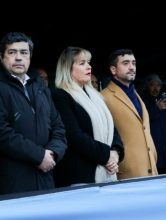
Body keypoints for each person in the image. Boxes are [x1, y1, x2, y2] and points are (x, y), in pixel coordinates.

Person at [0, 32, 66, 196]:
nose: (18, 58)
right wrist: (39, 156)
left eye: (23, 52)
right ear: (1, 56)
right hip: (11, 183)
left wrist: (52, 153)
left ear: (30, 56)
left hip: (45, 178)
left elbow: (58, 127)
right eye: (12, 52)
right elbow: (0, 132)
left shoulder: (39, 86)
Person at [51, 47, 124, 187]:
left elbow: (112, 129)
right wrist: (106, 156)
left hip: (107, 170)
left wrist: (115, 152)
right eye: (82, 63)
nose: (89, 66)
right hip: (80, 175)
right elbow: (73, 136)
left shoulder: (96, 95)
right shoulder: (60, 96)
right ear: (68, 68)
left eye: (88, 62)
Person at [101, 49, 158, 179]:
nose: (132, 67)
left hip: (151, 168)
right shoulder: (103, 97)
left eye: (133, 63)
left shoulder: (135, 94)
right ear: (113, 69)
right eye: (126, 63)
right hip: (125, 173)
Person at [141, 74, 166, 174]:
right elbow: (142, 121)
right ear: (147, 86)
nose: (156, 89)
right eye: (152, 85)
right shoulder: (143, 101)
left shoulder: (163, 100)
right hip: (153, 147)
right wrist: (157, 109)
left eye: (158, 85)